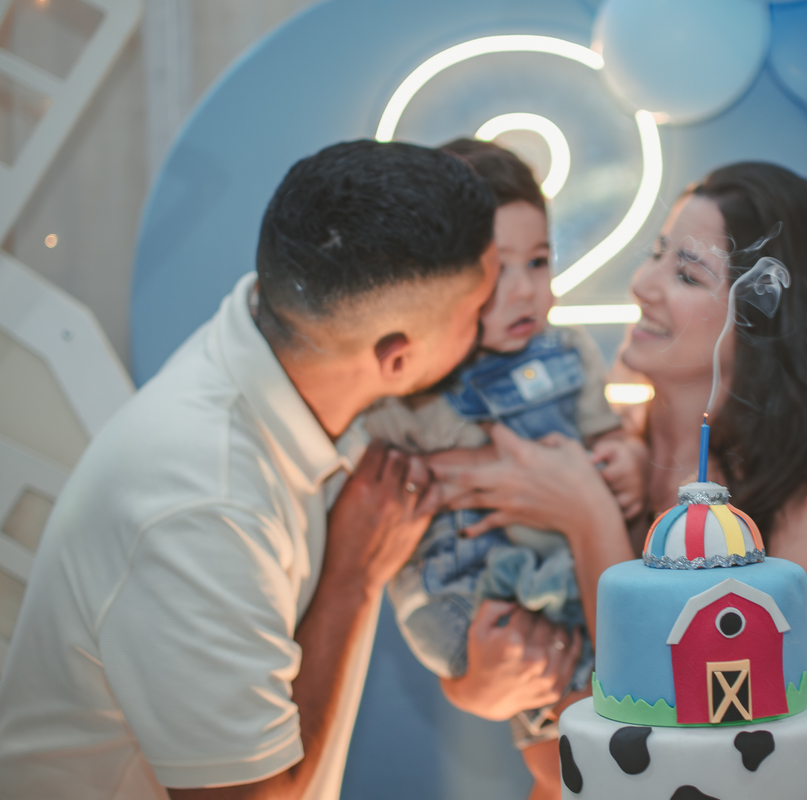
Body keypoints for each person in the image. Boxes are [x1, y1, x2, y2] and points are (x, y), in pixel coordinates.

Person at [0, 140, 500, 799]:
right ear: (396, 359)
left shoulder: (284, 338)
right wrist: (351, 577)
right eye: (476, 312)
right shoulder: (203, 507)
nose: (494, 324)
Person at [431, 162, 807, 799]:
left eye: (685, 273)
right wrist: (474, 683)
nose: (640, 285)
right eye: (655, 255)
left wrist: (590, 520)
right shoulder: (602, 446)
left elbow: (669, 722)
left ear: (766, 321)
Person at [359, 139, 646, 749]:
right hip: (471, 592)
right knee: (510, 663)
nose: (525, 292)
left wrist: (625, 458)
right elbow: (372, 482)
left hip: (569, 582)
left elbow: (609, 433)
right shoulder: (412, 385)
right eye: (496, 271)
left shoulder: (567, 354)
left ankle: (584, 732)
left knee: (602, 688)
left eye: (539, 262)